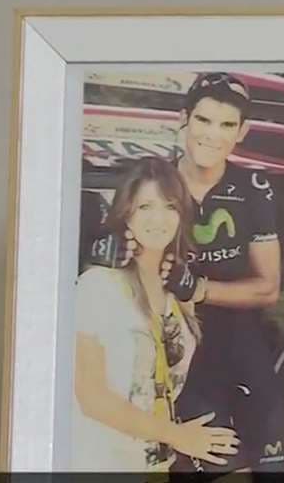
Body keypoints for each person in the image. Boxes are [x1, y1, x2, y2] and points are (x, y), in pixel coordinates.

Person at [88, 73, 284, 474]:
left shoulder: (253, 188)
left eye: (226, 124)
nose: (212, 135)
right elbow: (122, 243)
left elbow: (269, 289)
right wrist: (111, 248)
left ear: (242, 132)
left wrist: (196, 288)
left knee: (270, 465)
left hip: (241, 339)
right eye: (203, 120)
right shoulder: (157, 181)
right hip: (176, 342)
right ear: (184, 119)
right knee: (208, 459)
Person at [72, 157, 240, 472]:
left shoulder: (176, 295)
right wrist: (177, 436)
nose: (158, 218)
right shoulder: (98, 286)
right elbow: (90, 396)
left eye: (169, 206)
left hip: (156, 464)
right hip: (99, 462)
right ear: (126, 215)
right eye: (145, 207)